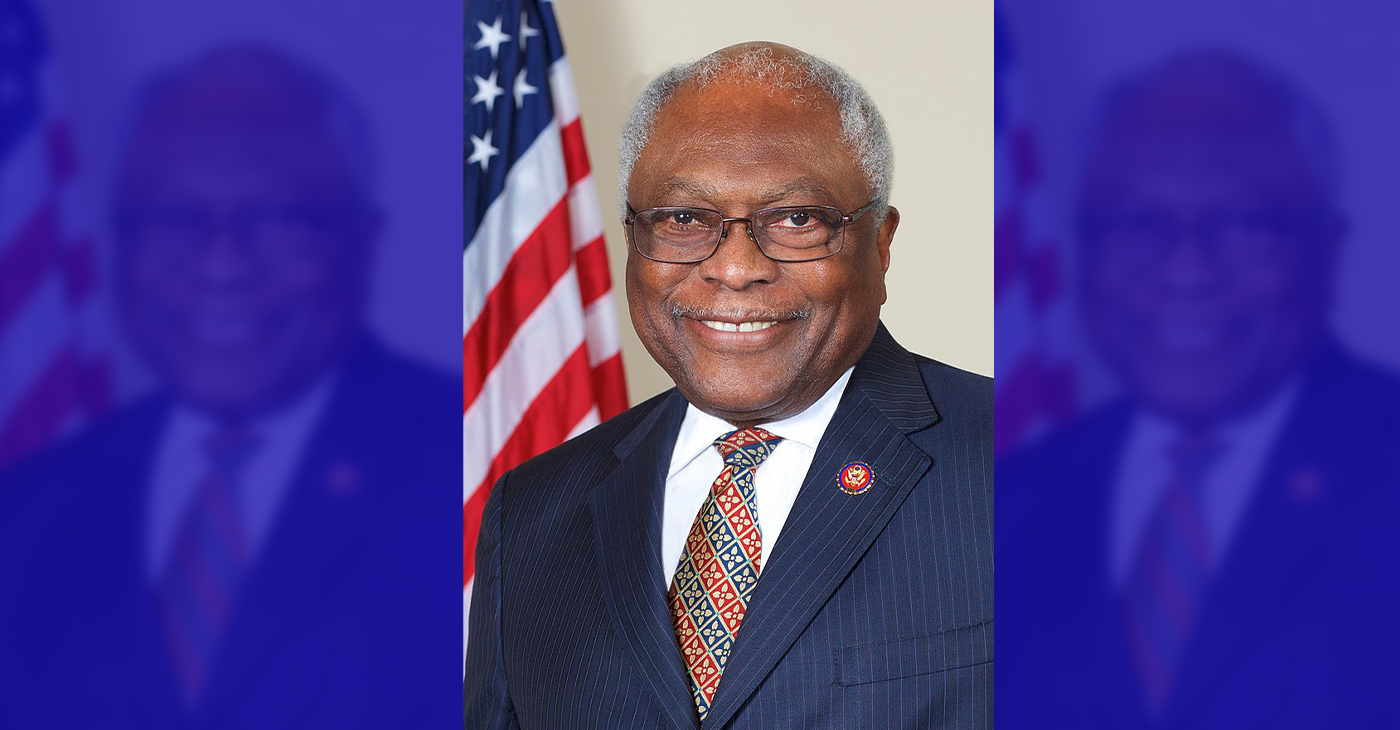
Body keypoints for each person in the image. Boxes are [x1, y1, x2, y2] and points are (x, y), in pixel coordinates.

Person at [464, 42, 994, 730]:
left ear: (880, 244)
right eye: (684, 220)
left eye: (797, 219)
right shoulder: (530, 512)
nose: (737, 268)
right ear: (633, 238)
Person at [0, 45, 458, 728]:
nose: (223, 263)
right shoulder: (26, 510)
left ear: (362, 247)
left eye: (280, 218)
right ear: (119, 244)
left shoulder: (486, 470)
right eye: (173, 218)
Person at [998, 50, 1400, 729]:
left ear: (1327, 253)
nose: (1187, 270)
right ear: (1083, 253)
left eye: (1245, 225)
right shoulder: (1007, 499)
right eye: (1137, 224)